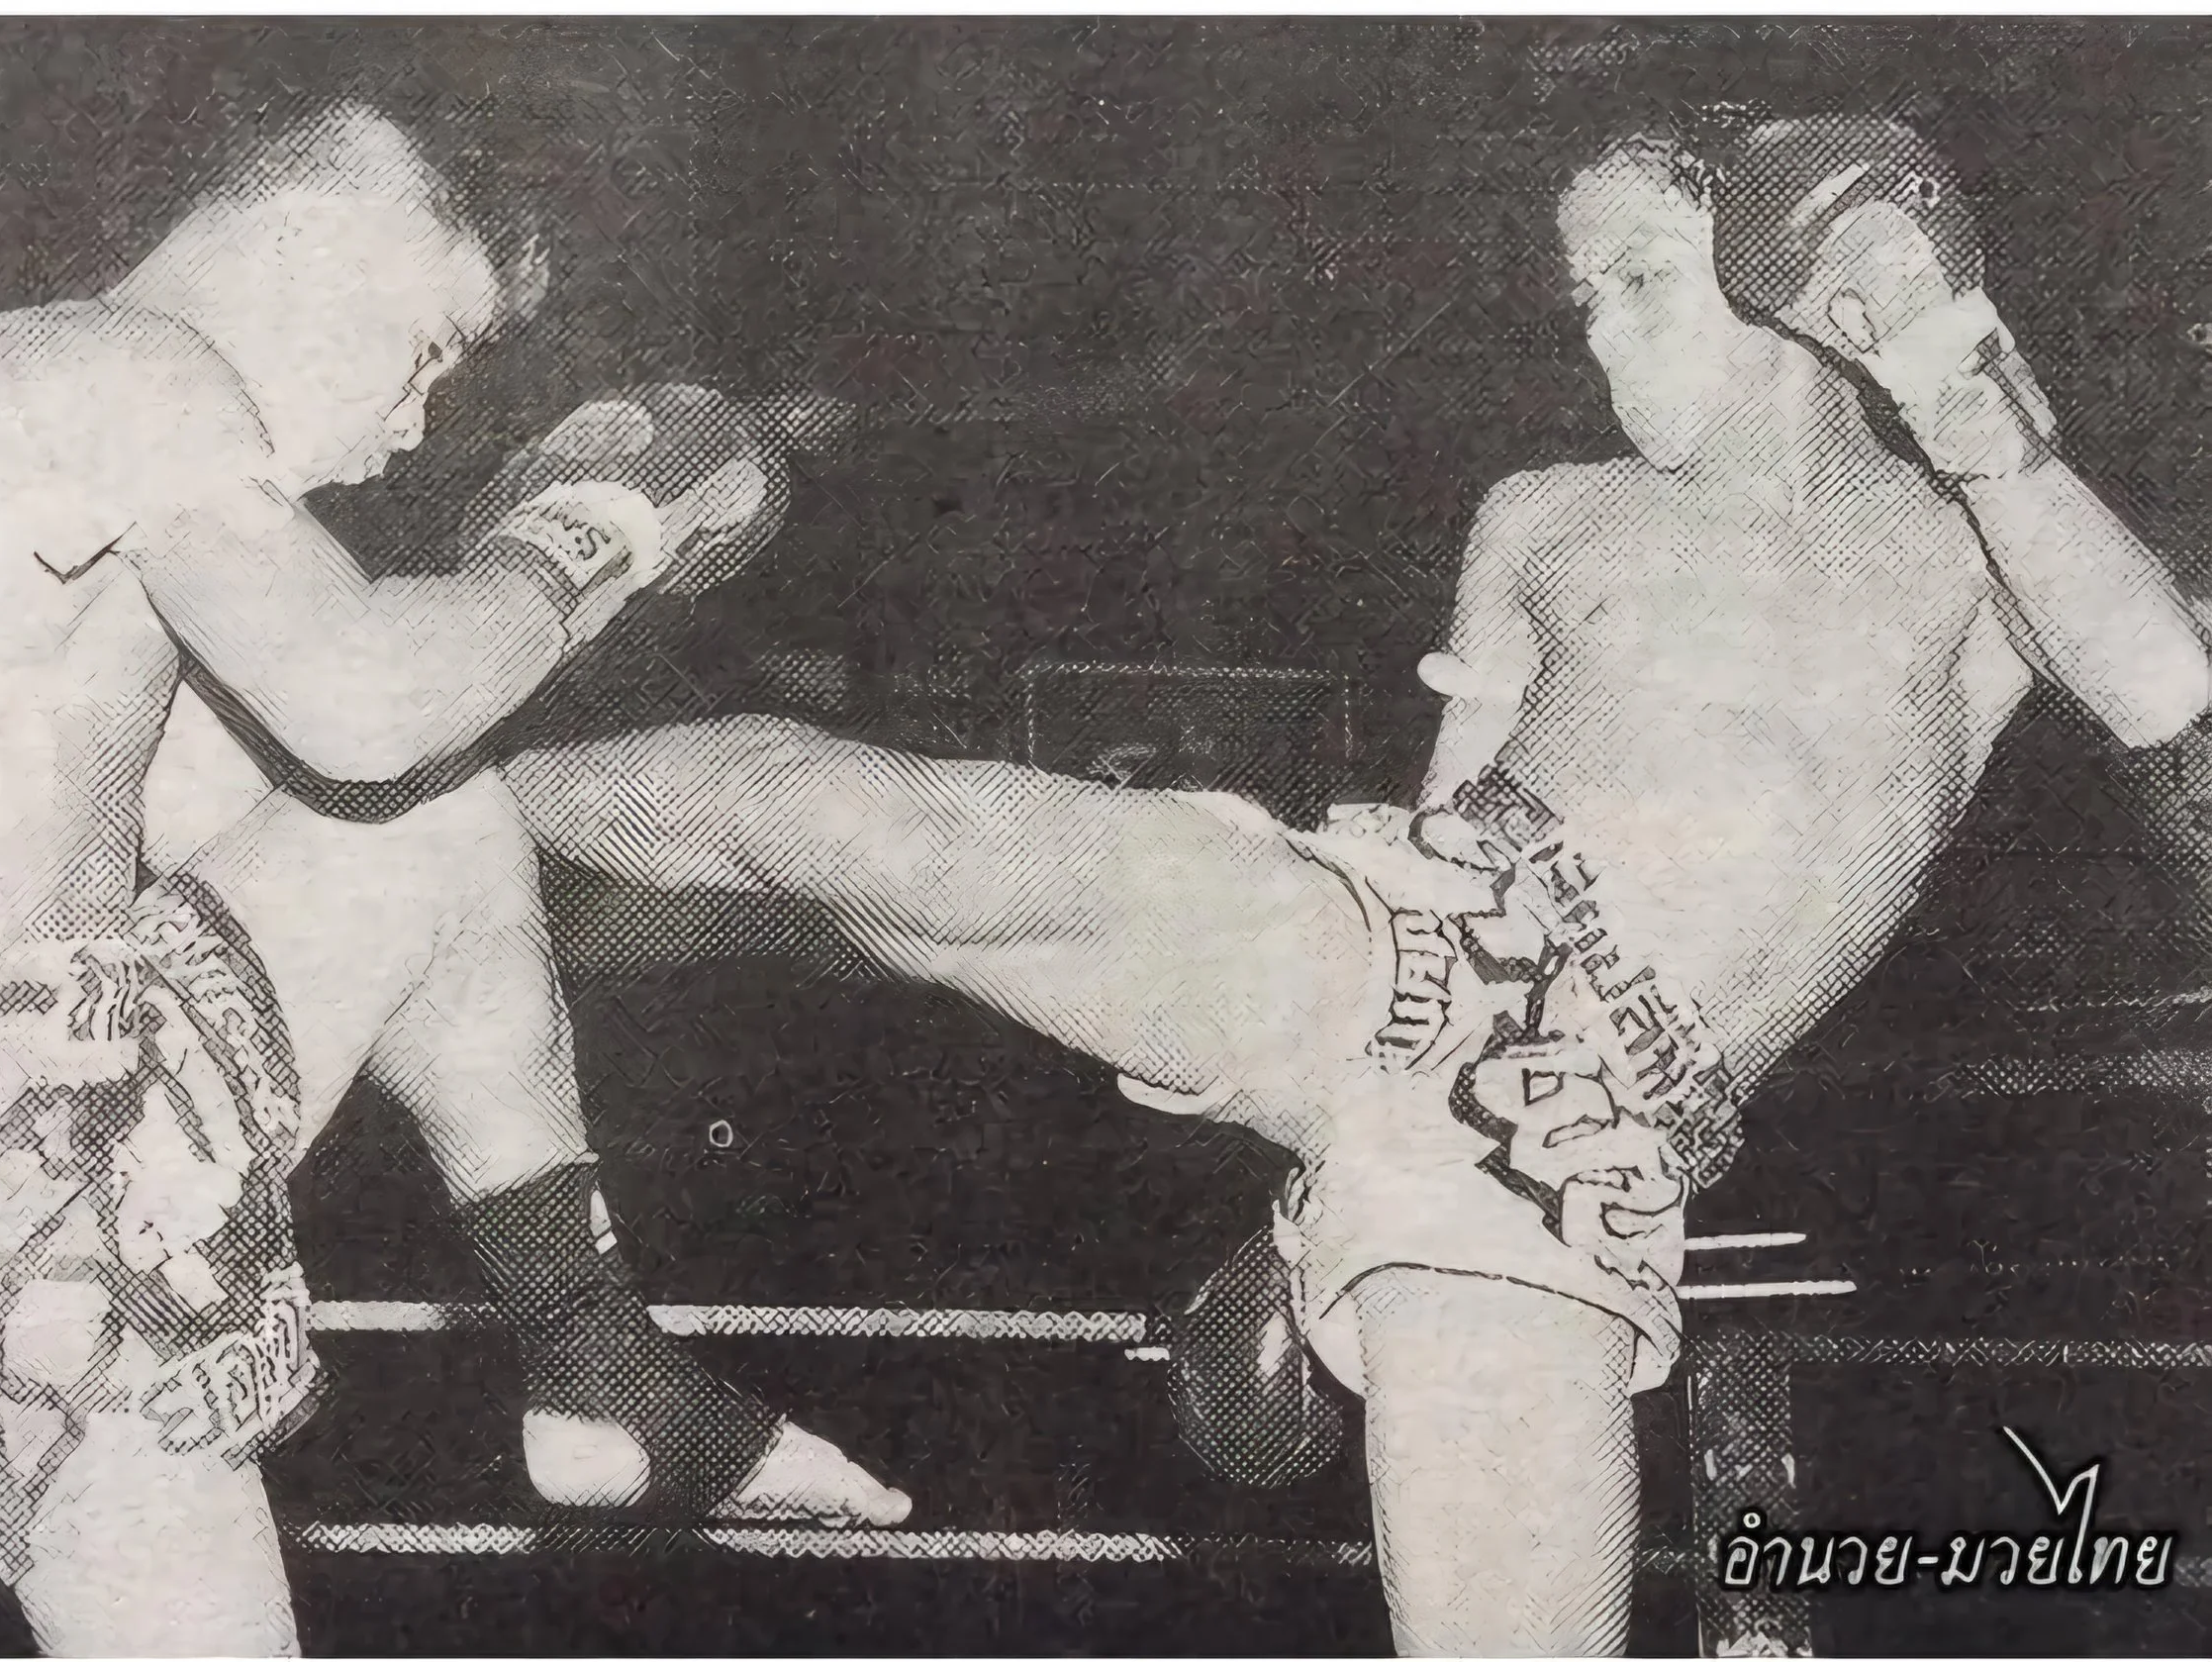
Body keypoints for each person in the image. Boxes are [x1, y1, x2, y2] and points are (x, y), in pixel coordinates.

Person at [493, 119, 2212, 1654]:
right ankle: (416, 774)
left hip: (1568, 1138)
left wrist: (1950, 378)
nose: (1601, 330)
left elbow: (2163, 694)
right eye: (1578, 295)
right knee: (886, 832)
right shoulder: (1546, 510)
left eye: (1641, 276)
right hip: (1387, 936)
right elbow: (1453, 805)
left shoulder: (1977, 550)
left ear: (1784, 291)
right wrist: (1318, 1117)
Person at [0, 101, 897, 1660]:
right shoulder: (110, 370)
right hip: (3, 1162)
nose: (411, 428)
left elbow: (361, 796)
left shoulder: (53, 452)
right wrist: (595, 530)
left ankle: (591, 1346)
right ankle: (595, 1358)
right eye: (428, 348)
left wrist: (752, 829)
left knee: (436, 819)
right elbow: (366, 702)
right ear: (318, 236)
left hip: (42, 1107)